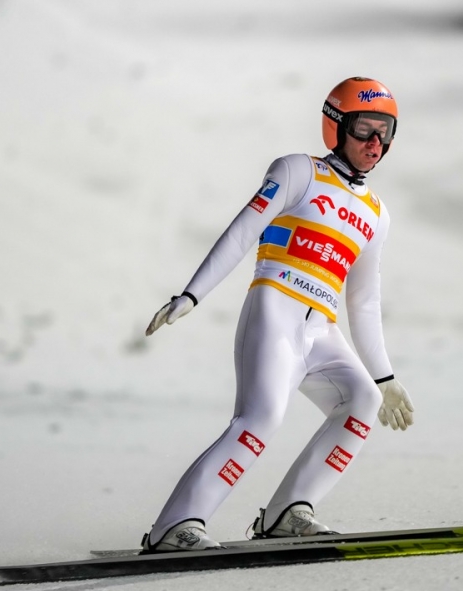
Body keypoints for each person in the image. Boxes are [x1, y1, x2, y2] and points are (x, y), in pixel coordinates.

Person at [140, 77, 415, 552]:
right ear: (335, 127)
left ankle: (290, 513)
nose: (375, 143)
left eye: (385, 132)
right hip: (276, 309)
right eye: (364, 129)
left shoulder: (377, 213)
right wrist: (192, 294)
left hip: (322, 329)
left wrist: (384, 376)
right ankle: (175, 525)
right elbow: (242, 231)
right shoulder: (298, 171)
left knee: (363, 400)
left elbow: (364, 300)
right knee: (261, 417)